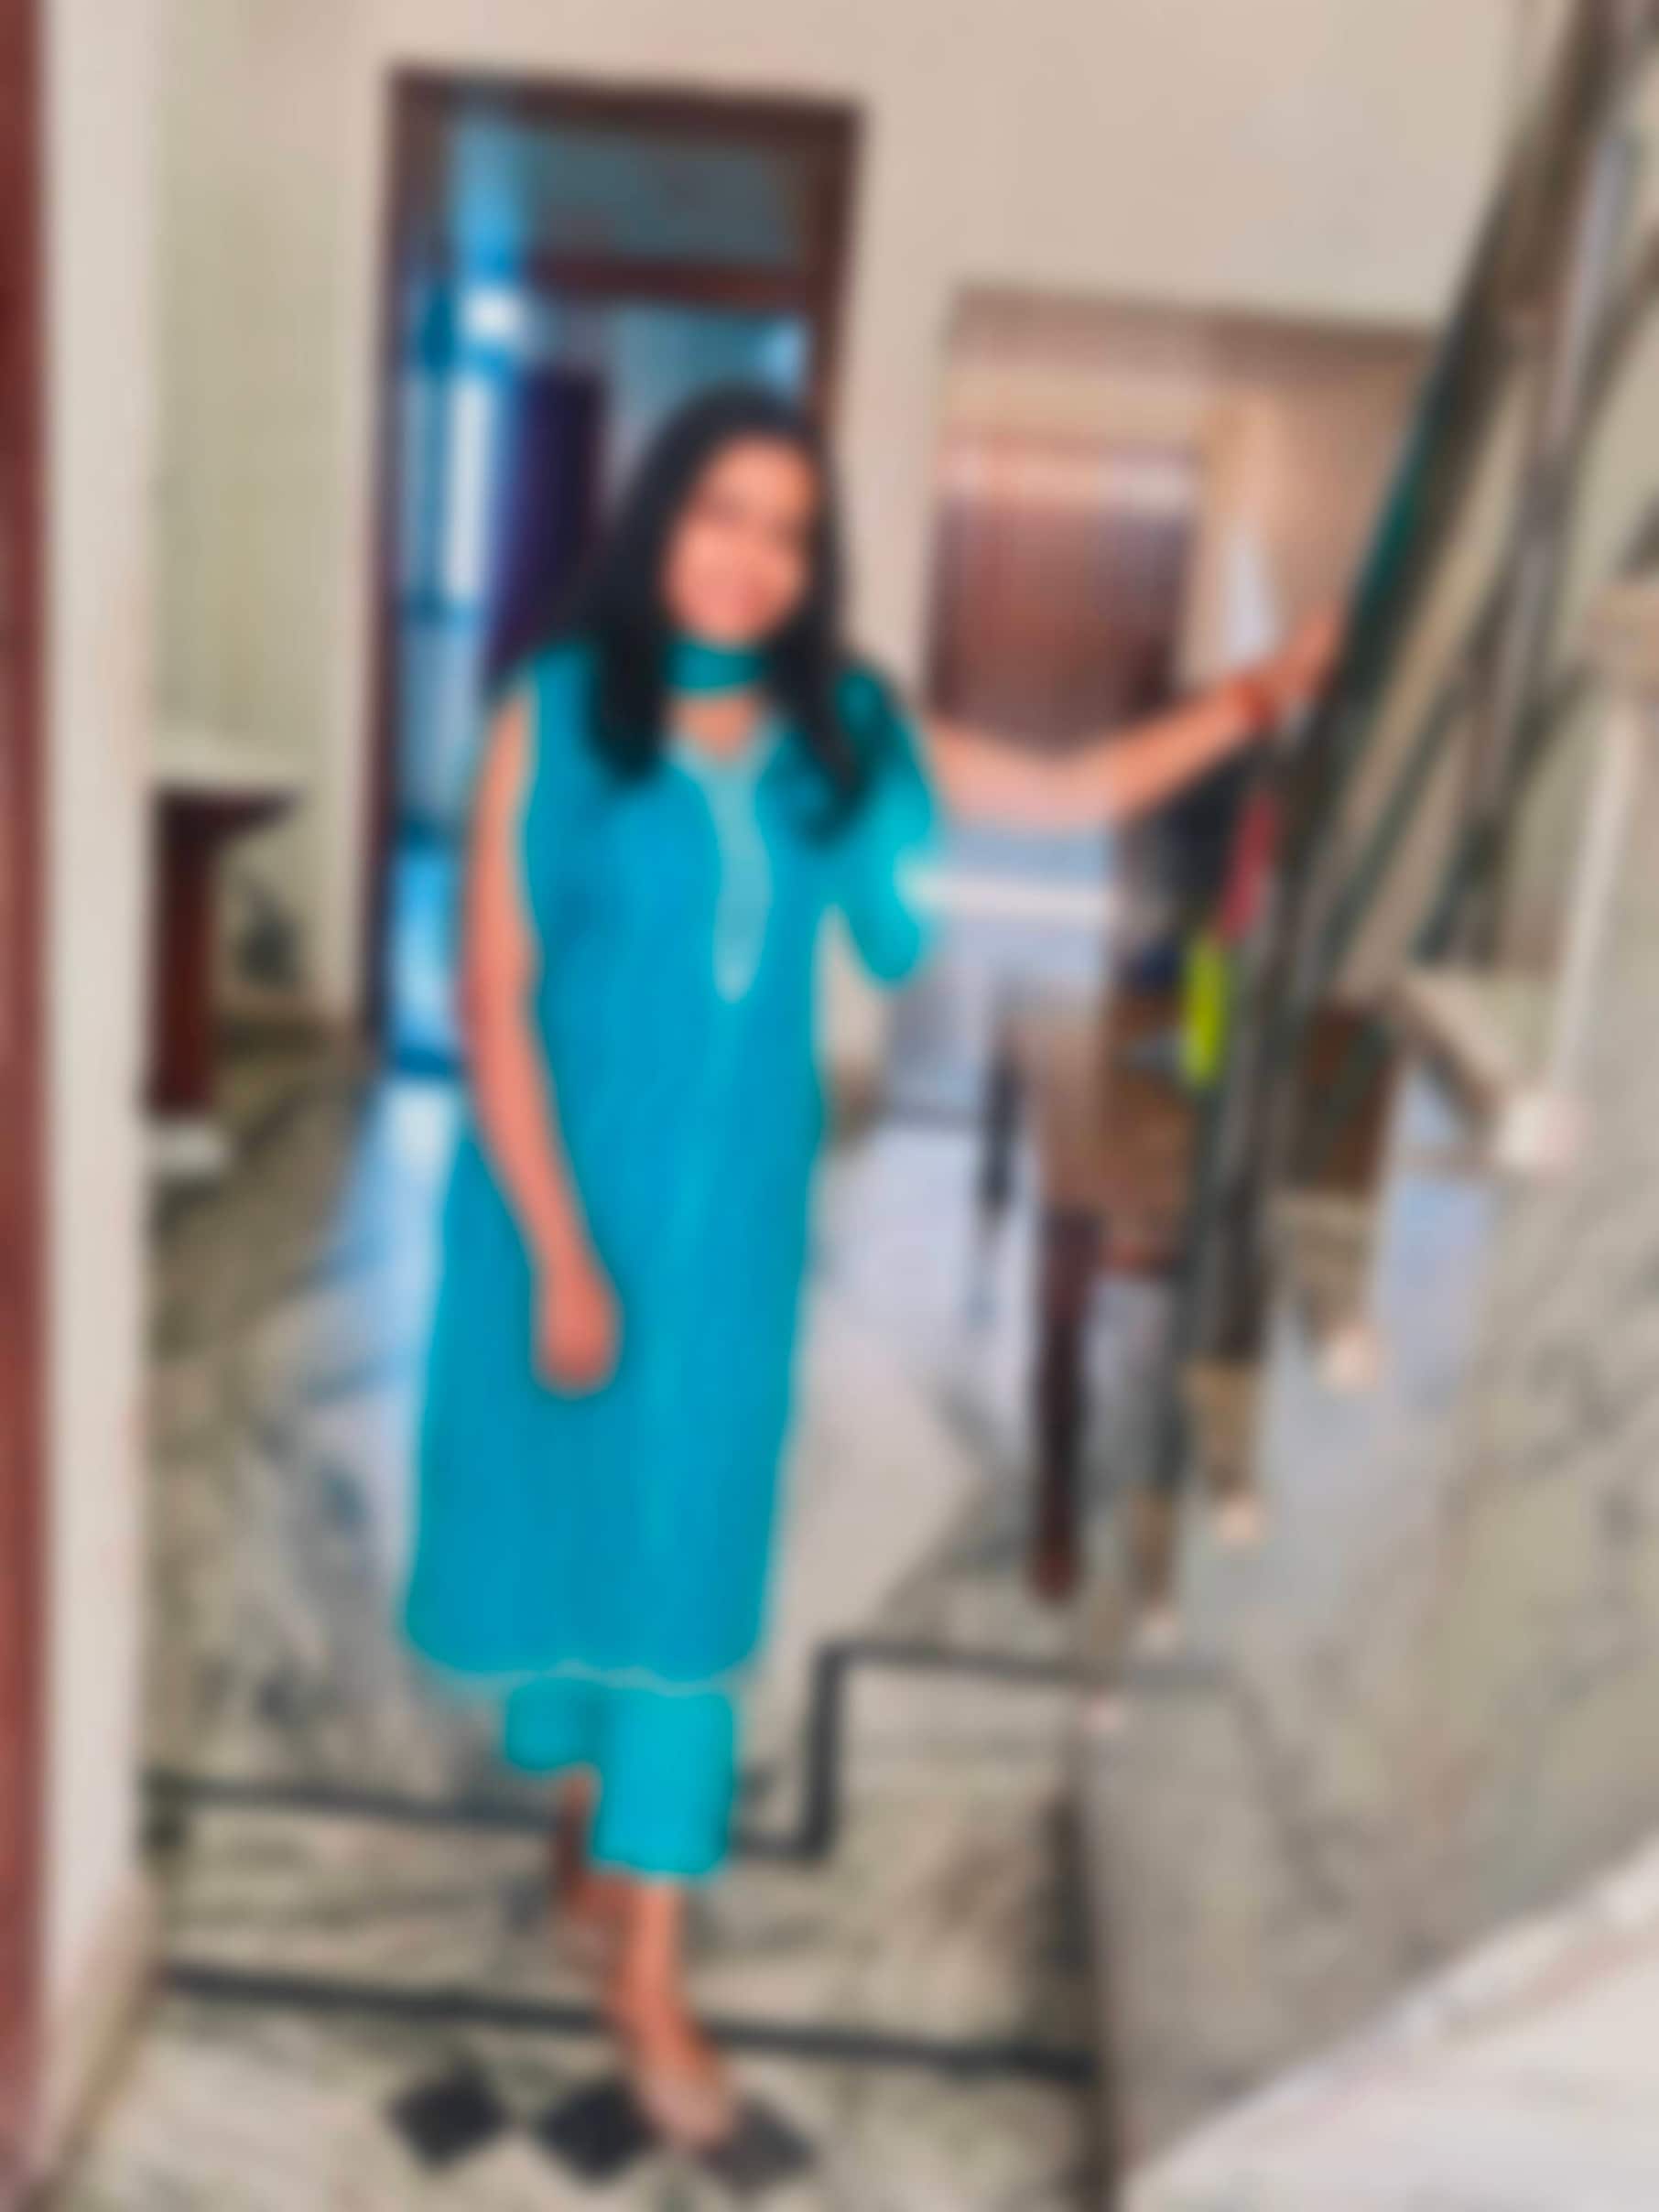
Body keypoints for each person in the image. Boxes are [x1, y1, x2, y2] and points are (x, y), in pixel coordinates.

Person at [402, 384, 1336, 2147]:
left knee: (691, 1567)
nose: (750, 559)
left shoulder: (839, 725)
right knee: (588, 1522)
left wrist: (1254, 697)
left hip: (732, 1234)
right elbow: (492, 1001)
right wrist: (561, 1254)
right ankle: (592, 1831)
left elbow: (1061, 789)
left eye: (788, 531)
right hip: (557, 1211)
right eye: (719, 514)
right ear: (656, 520)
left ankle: (647, 1967)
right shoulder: (556, 716)